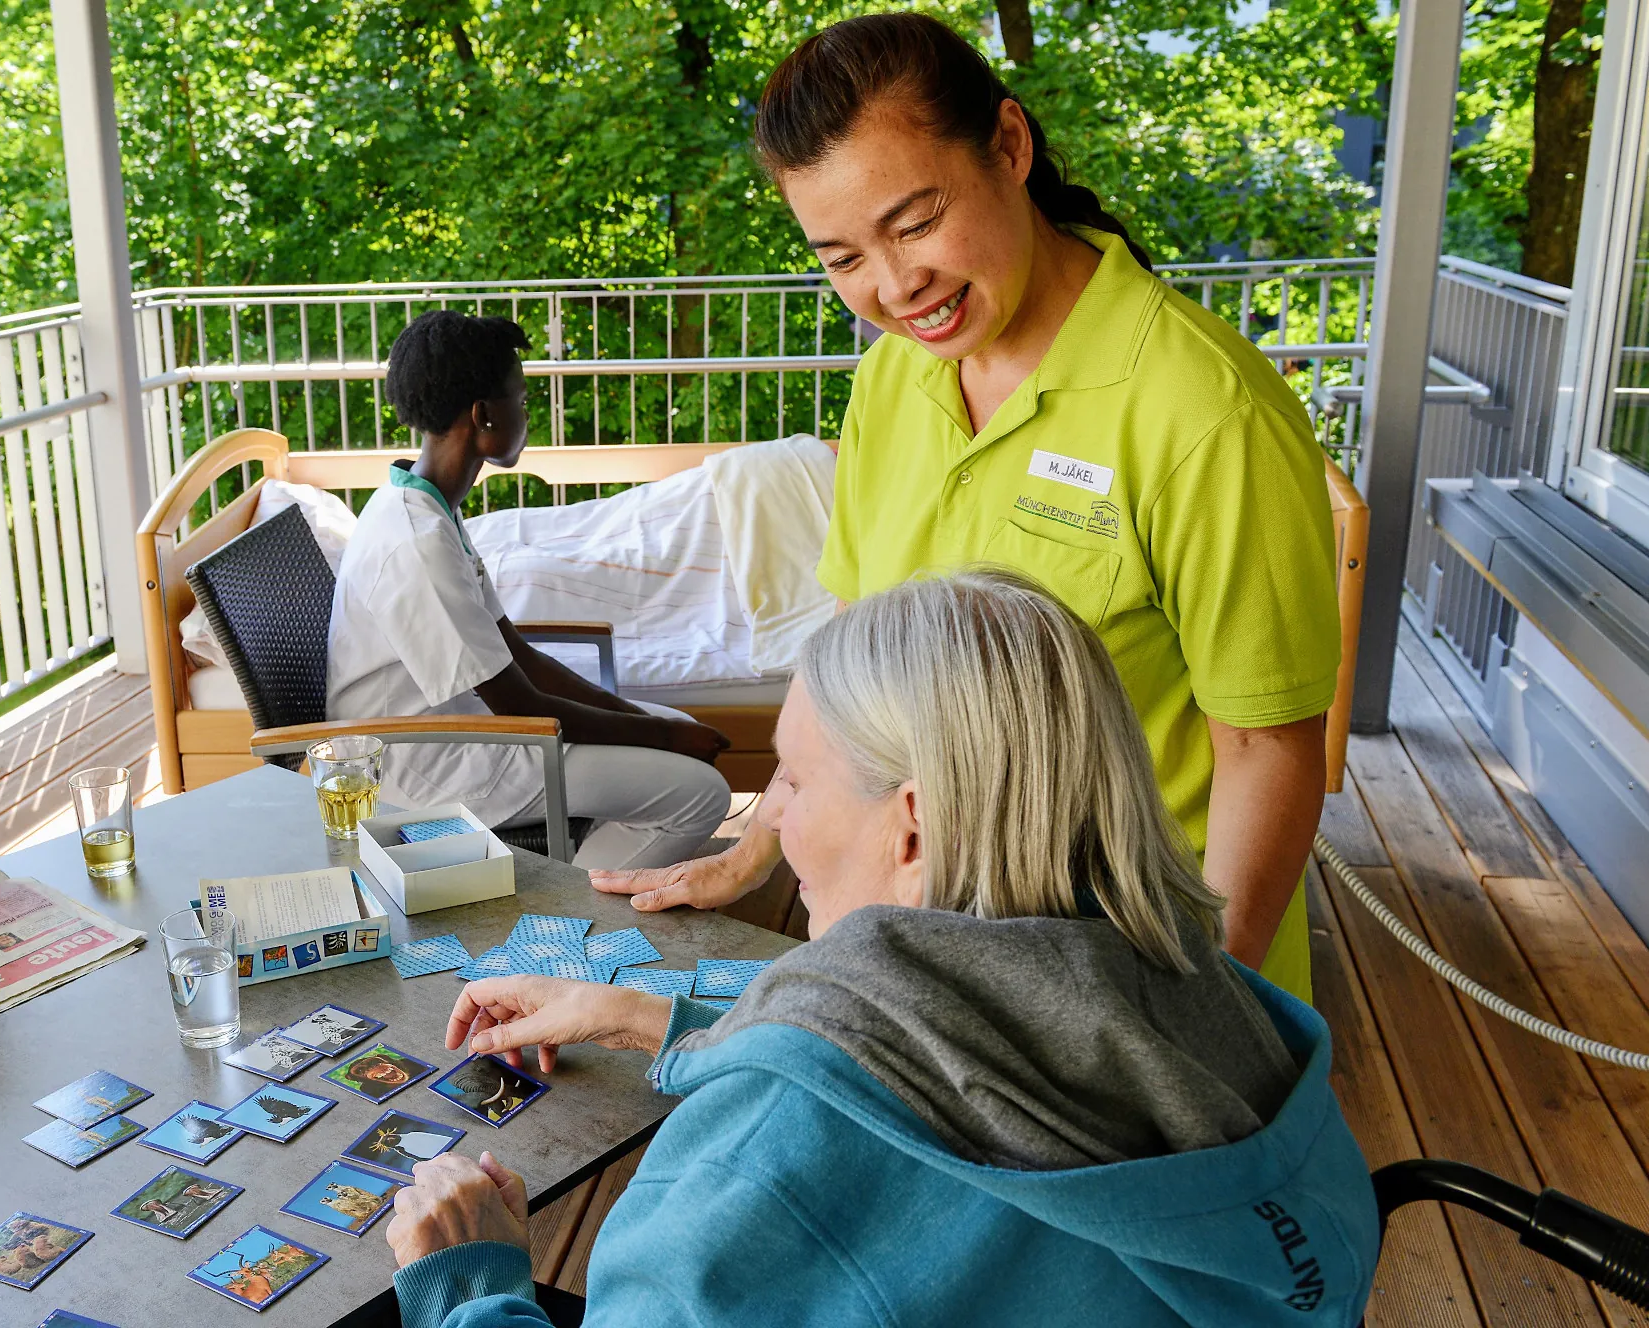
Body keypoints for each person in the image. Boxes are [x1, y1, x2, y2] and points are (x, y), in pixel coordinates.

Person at [387, 570, 1377, 1328]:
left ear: (909, 828)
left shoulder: (760, 1158)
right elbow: (986, 1044)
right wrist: (649, 1015)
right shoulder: (1224, 1011)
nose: (771, 813)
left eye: (794, 779)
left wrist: (470, 1280)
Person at [590, 13, 1340, 1000]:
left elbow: (1265, 749)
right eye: (841, 257)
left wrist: (1205, 1018)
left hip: (1139, 974)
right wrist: (752, 850)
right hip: (944, 961)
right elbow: (855, 659)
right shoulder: (892, 384)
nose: (896, 287)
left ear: (1009, 146)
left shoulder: (1202, 411)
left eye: (912, 222)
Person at [326, 310, 733, 870]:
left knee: (679, 734)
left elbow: (516, 654)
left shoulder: (427, 507)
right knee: (700, 794)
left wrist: (650, 725)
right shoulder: (416, 541)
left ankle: (588, 869)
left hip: (467, 728)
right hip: (425, 765)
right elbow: (520, 704)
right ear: (484, 414)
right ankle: (574, 914)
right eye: (521, 399)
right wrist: (658, 736)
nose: (526, 412)